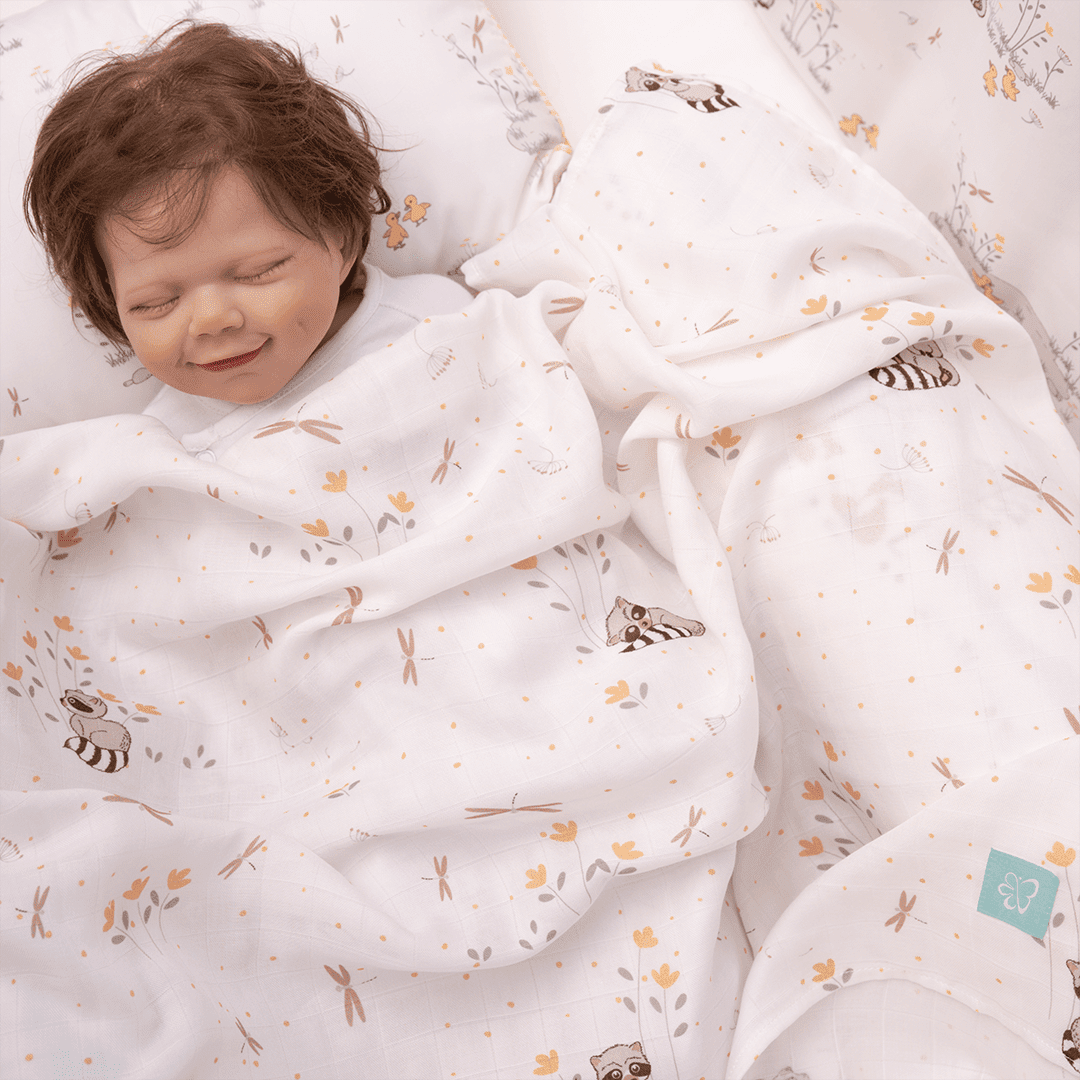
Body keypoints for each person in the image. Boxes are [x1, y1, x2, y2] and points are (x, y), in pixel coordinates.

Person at [22, 19, 469, 448]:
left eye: (258, 272)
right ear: (110, 302)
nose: (212, 319)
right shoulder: (159, 449)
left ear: (342, 241)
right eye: (156, 303)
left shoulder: (439, 322)